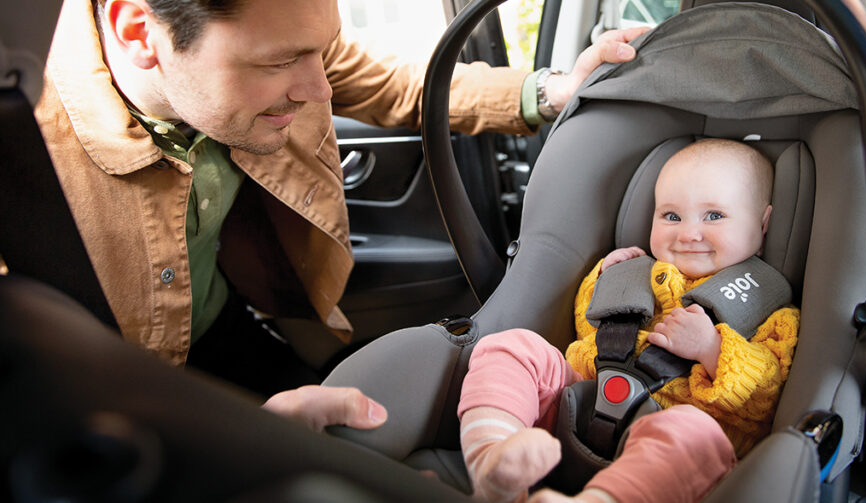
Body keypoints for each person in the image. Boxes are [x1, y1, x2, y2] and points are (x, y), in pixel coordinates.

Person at [32, 0, 646, 422]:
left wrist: (551, 90)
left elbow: (398, 85)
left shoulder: (275, 46)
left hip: (221, 321)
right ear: (140, 33)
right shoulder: (26, 145)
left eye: (319, 53)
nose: (319, 89)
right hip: (88, 386)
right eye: (278, 63)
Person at [456, 138, 801, 503]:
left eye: (714, 216)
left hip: (673, 455)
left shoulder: (769, 310)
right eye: (671, 216)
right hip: (581, 407)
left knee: (694, 432)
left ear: (762, 226)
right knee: (511, 347)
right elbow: (587, 332)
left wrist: (713, 349)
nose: (688, 233)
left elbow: (767, 398)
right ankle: (496, 463)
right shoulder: (638, 274)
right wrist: (605, 280)